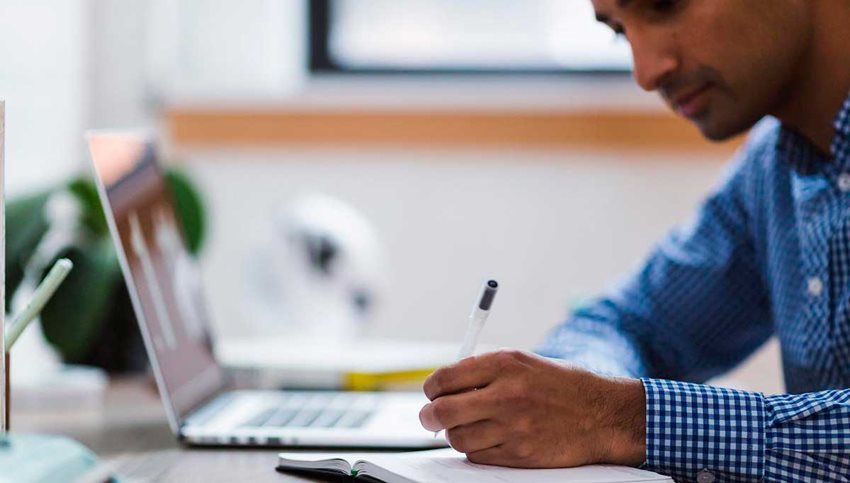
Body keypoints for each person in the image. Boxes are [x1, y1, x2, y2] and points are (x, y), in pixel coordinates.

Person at [418, 1, 850, 481]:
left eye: (666, 6)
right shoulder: (774, 167)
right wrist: (573, 395)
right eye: (620, 31)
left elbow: (615, 408)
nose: (645, 73)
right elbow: (630, 324)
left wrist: (620, 417)